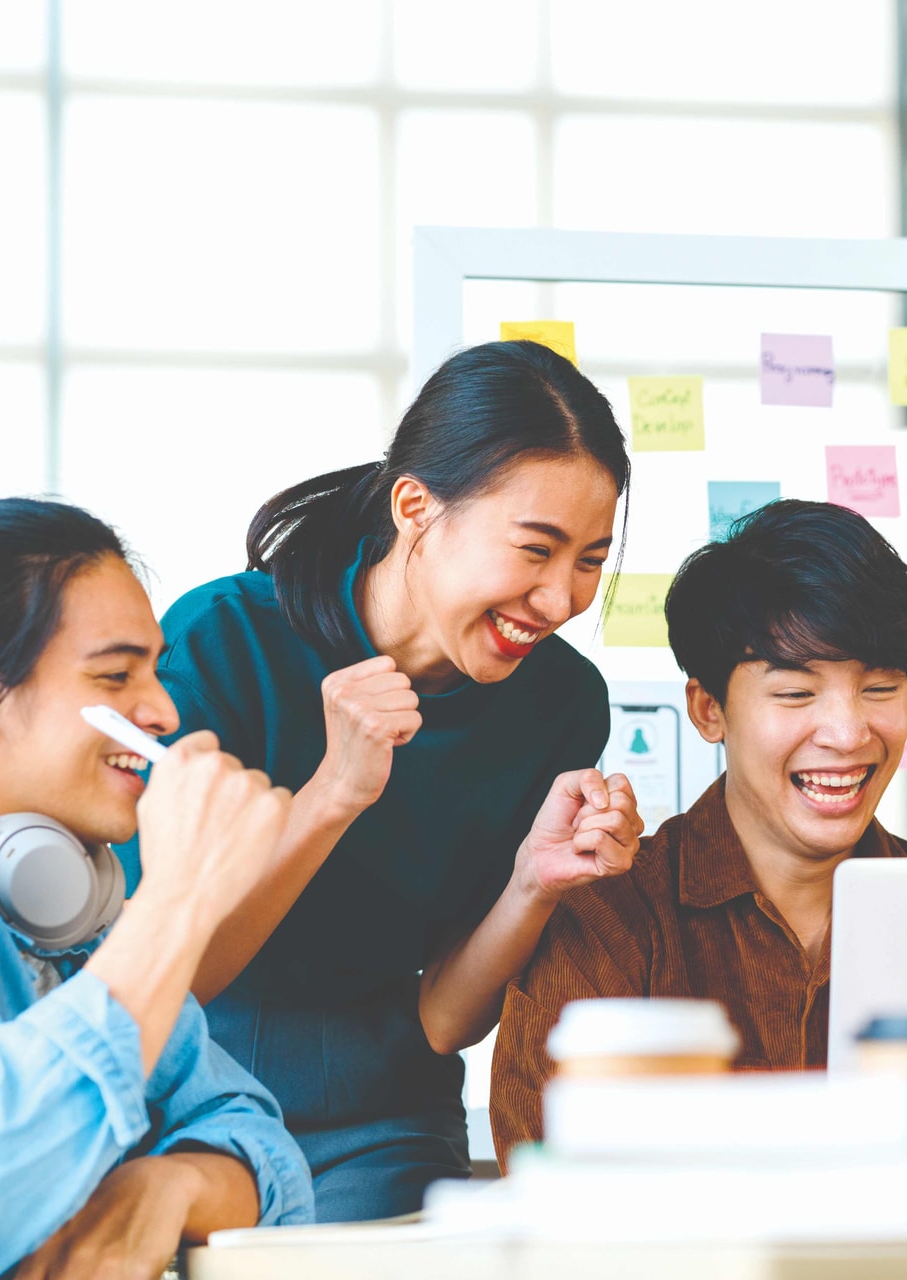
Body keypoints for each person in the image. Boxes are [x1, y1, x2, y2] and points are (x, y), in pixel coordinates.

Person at [122, 341, 645, 1220]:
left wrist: (535, 882)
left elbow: (443, 1020)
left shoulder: (559, 703)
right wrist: (334, 792)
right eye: (535, 550)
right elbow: (169, 970)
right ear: (416, 507)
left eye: (589, 560)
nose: (559, 601)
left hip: (384, 1128)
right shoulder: (222, 644)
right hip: (182, 1106)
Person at [489, 501, 907, 1165]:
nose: (849, 735)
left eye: (880, 687)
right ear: (709, 710)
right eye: (796, 694)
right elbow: (560, 1192)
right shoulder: (610, 916)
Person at [0, 499, 312, 1280]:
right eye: (114, 674)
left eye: (155, 672)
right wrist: (176, 899)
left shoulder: (75, 912)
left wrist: (167, 1186)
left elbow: (274, 1166)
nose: (162, 710)